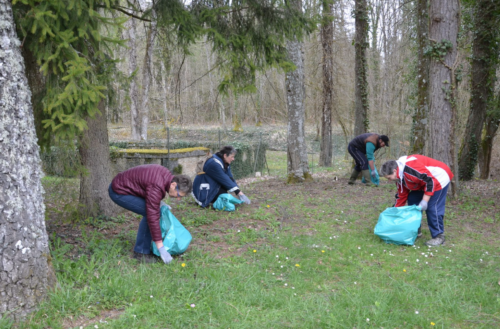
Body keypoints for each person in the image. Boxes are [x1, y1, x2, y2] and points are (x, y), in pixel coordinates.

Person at [108, 164, 192, 264]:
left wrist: (159, 203)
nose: (178, 198)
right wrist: (161, 248)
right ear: (173, 185)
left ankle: (145, 245)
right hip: (119, 191)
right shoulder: (157, 187)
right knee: (150, 214)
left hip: (125, 185)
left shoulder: (166, 176)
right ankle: (141, 253)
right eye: (178, 195)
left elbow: (148, 188)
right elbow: (152, 217)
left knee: (155, 210)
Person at [380, 155, 453, 246]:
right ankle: (415, 229)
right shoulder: (399, 176)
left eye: (389, 178)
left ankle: (439, 236)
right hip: (424, 181)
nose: (389, 181)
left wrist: (425, 200)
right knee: (413, 199)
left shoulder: (410, 168)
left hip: (439, 177)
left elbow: (430, 181)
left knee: (432, 207)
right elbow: (401, 195)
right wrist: (394, 212)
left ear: (395, 171)